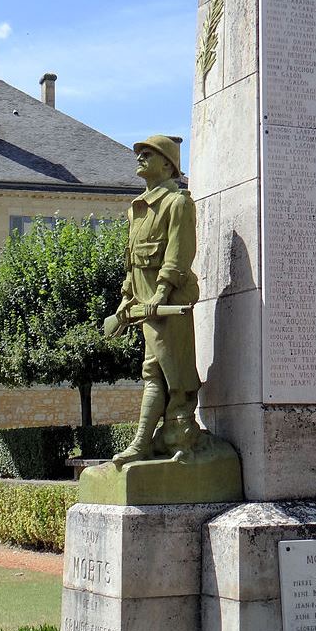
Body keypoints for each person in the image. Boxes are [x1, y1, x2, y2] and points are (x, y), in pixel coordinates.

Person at [112, 135, 202, 466]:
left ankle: (179, 442)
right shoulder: (136, 209)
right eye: (139, 153)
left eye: (148, 154)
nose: (140, 157)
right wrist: (126, 298)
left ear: (167, 164)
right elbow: (133, 262)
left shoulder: (177, 203)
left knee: (175, 376)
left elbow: (179, 253)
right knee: (152, 372)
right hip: (146, 306)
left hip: (167, 305)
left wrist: (162, 292)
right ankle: (143, 444)